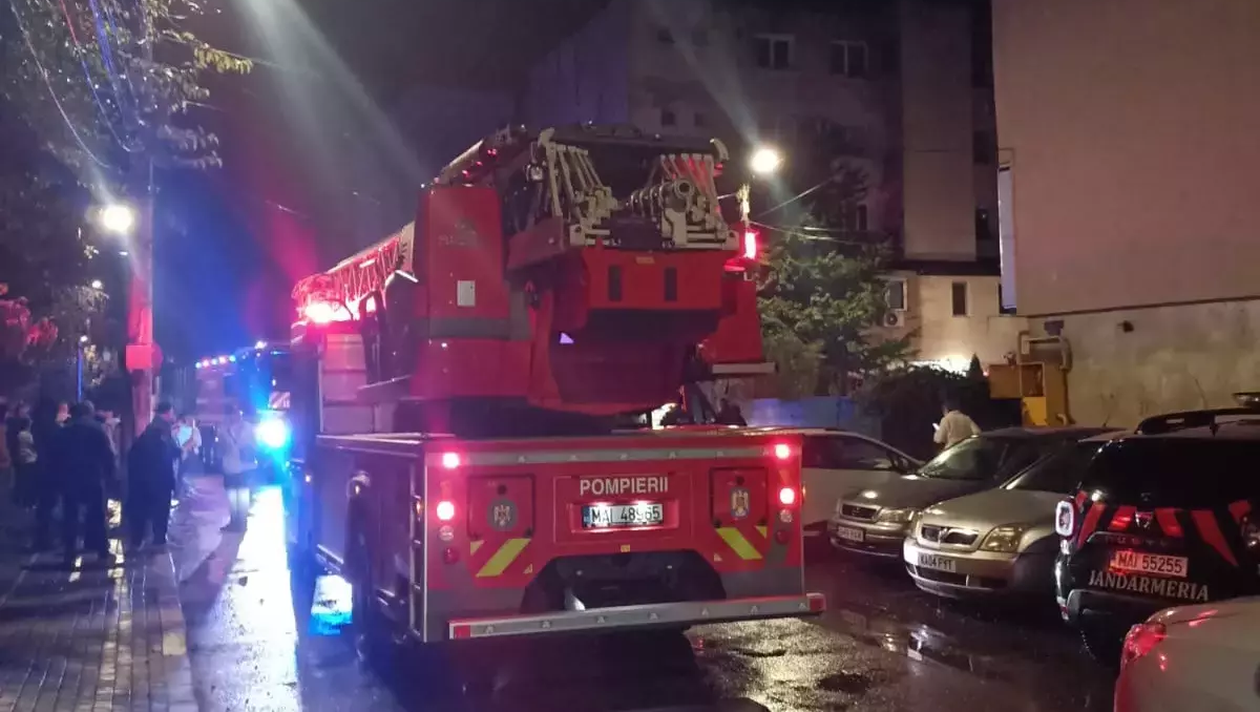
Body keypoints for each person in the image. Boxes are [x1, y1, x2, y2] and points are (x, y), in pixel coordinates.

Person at [47, 401, 116, 566]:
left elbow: (54, 457)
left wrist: (56, 479)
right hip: (93, 477)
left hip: (70, 478)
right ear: (89, 412)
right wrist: (111, 475)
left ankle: (69, 553)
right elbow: (108, 455)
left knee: (70, 516)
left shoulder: (63, 431)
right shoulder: (97, 429)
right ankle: (102, 551)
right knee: (97, 515)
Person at [127, 402, 180, 549]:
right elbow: (169, 453)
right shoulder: (162, 430)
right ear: (167, 413)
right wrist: (182, 450)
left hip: (144, 478)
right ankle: (158, 541)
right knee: (160, 511)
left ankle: (138, 541)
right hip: (159, 479)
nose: (174, 415)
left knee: (143, 510)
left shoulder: (151, 429)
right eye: (172, 412)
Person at [219, 406, 257, 531]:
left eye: (238, 413)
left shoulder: (249, 428)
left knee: (243, 494)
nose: (235, 416)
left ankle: (241, 522)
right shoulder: (224, 429)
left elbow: (255, 444)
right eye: (233, 414)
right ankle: (234, 521)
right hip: (230, 465)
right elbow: (221, 446)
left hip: (245, 466)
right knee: (231, 495)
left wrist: (248, 448)